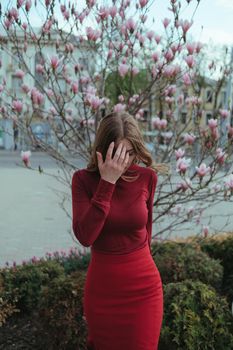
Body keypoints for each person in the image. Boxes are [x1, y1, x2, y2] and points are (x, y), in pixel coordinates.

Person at [71, 112, 164, 350]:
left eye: (130, 154)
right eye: (117, 154)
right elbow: (85, 236)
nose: (123, 163)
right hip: (103, 290)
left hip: (144, 288)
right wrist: (107, 183)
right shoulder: (82, 180)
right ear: (102, 150)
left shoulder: (147, 178)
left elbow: (146, 232)